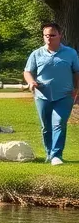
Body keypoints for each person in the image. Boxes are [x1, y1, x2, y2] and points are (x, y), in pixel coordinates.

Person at [24, 21, 79, 165]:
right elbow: (28, 71)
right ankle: (49, 153)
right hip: (42, 96)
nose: (49, 38)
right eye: (46, 35)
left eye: (52, 35)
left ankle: (56, 155)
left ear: (60, 35)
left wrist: (76, 89)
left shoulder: (70, 53)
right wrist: (31, 82)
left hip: (65, 95)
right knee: (46, 126)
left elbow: (76, 72)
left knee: (59, 123)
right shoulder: (36, 54)